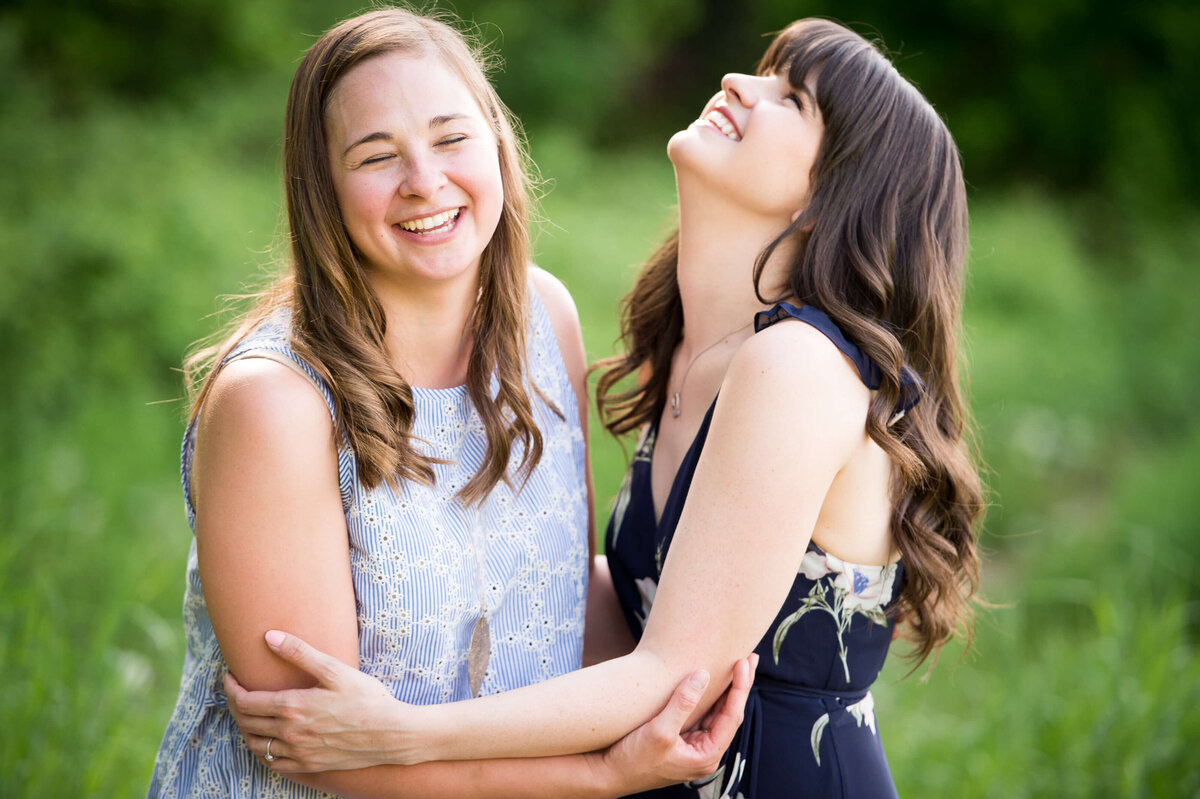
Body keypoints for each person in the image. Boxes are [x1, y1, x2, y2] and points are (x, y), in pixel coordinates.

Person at [224, 17, 985, 798]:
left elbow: (668, 670)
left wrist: (397, 732)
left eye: (790, 98)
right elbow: (597, 598)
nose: (738, 84)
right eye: (762, 69)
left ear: (837, 193)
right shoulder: (699, 349)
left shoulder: (797, 367)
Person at [148, 7, 754, 798]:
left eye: (450, 138)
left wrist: (710, 643)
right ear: (321, 189)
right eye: (376, 155)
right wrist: (601, 775)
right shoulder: (276, 403)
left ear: (498, 145)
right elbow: (320, 749)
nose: (425, 181)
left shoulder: (546, 323)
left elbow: (557, 599)